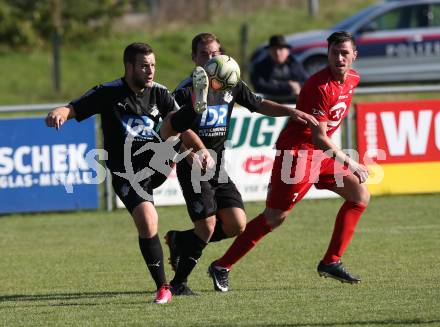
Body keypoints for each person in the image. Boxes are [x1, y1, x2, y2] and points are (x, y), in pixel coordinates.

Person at [45, 42, 209, 304]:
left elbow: (182, 130)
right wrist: (60, 112)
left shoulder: (160, 93)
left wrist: (200, 150)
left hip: (156, 158)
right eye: (144, 66)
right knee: (148, 221)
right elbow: (74, 108)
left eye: (153, 65)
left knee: (170, 125)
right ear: (129, 66)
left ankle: (195, 106)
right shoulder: (108, 92)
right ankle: (163, 287)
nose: (150, 71)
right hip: (127, 172)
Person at [208, 31, 370, 292]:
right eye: (334, 53)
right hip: (298, 154)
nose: (339, 58)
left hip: (321, 154)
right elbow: (318, 138)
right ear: (327, 55)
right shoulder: (319, 87)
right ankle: (221, 265)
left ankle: (331, 261)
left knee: (359, 195)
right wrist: (351, 162)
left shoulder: (353, 79)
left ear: (354, 55)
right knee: (274, 217)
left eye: (344, 53)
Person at [164, 32, 318, 295]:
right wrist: (198, 151)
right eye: (204, 55)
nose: (211, 59)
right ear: (194, 58)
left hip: (217, 165)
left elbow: (258, 104)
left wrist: (290, 110)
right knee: (208, 226)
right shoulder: (185, 90)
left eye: (214, 54)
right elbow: (178, 127)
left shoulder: (229, 82)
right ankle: (179, 283)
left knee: (236, 224)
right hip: (193, 165)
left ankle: (181, 240)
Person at [250, 34, 308, 102]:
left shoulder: (295, 65)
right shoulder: (260, 67)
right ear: (269, 51)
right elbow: (259, 86)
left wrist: (297, 86)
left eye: (280, 49)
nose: (277, 53)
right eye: (274, 49)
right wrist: (288, 86)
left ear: (287, 51)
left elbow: (306, 82)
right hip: (269, 103)